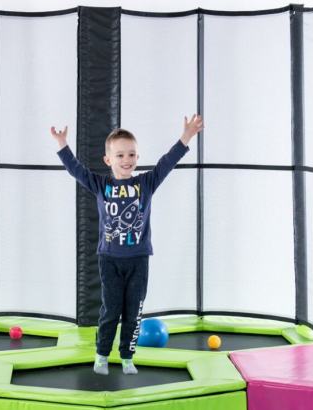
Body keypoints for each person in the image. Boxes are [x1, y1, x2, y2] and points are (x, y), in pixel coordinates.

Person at [50, 115, 204, 375]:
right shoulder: (102, 185)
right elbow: (77, 170)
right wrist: (62, 145)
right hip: (109, 259)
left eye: (131, 154)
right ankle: (101, 355)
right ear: (108, 160)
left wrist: (186, 136)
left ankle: (127, 357)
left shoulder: (145, 183)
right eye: (120, 155)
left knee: (134, 312)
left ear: (137, 157)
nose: (127, 160)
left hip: (139, 259)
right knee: (110, 311)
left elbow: (167, 163)